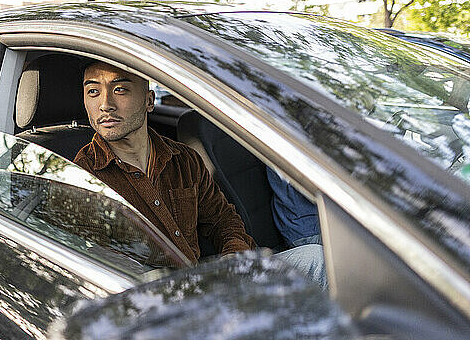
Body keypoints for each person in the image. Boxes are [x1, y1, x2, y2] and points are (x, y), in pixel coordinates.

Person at [74, 61, 326, 288]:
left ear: (149, 101)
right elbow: (98, 267)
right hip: (161, 304)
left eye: (120, 90)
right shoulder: (82, 175)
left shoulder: (184, 160)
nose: (105, 104)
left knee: (316, 257)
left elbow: (224, 221)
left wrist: (233, 259)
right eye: (93, 92)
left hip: (212, 282)